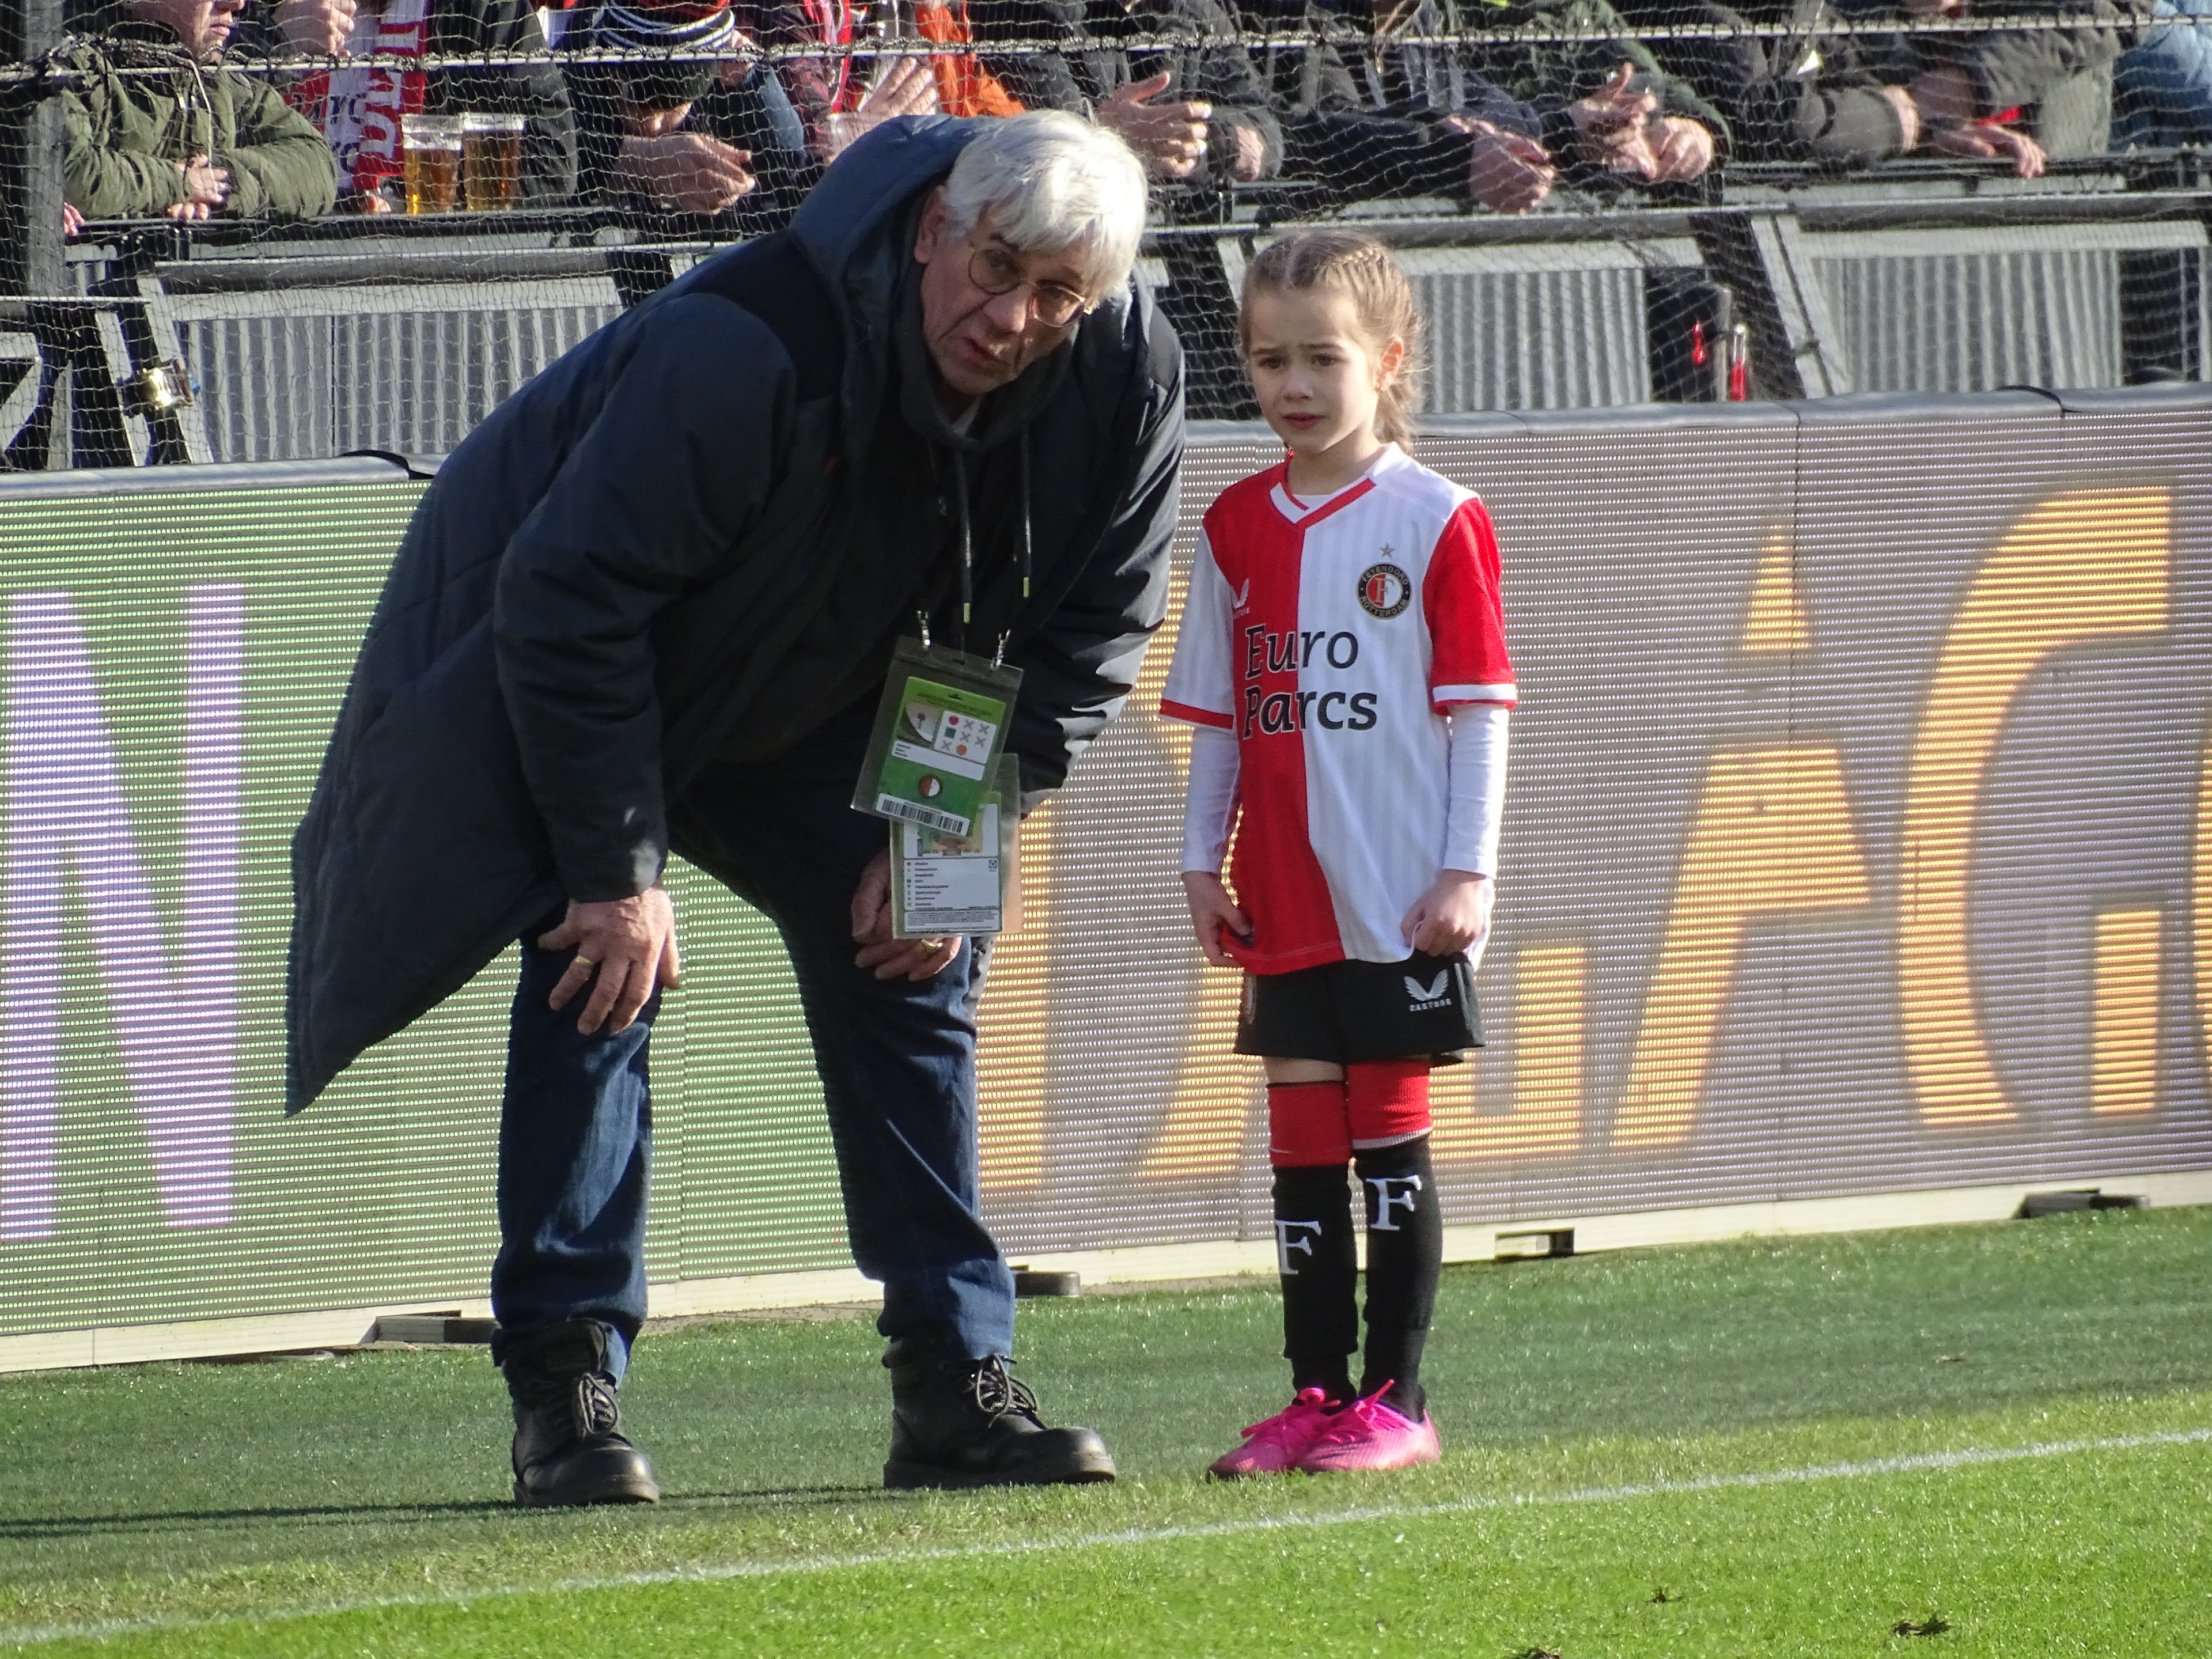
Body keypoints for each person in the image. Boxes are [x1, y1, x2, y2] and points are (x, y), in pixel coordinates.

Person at [286, 109, 1181, 1506]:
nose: (1013, 320)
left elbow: (1089, 628)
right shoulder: (745, 345)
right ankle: (566, 1390)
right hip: (606, 674)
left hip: (847, 693)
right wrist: (615, 871)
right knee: (598, 968)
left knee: (923, 941)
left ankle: (956, 1381)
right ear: (934, 230)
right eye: (996, 270)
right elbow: (567, 603)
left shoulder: (1126, 372)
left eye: (1057, 294)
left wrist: (950, 825)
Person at [1159, 230, 1512, 1476]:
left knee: (1389, 1146)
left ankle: (1398, 1404)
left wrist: (1467, 871)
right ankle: (1313, 1399)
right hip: (1283, 895)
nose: (1294, 385)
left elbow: (1479, 710)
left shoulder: (1438, 517)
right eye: (1270, 361)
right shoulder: (1234, 525)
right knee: (1301, 1151)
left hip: (1398, 893)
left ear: (1389, 361)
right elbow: (1218, 715)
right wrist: (1201, 862)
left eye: (1323, 358)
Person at [238, 0, 577, 211]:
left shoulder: (479, 10)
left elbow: (552, 164)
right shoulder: (255, 11)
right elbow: (219, 137)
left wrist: (416, 197)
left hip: (430, 266)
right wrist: (279, 37)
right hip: (285, 252)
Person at [59, 0, 340, 221]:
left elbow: (317, 164)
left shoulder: (214, 77)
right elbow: (68, 173)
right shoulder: (70, 67)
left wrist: (217, 182)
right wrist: (177, 183)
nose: (236, 4)